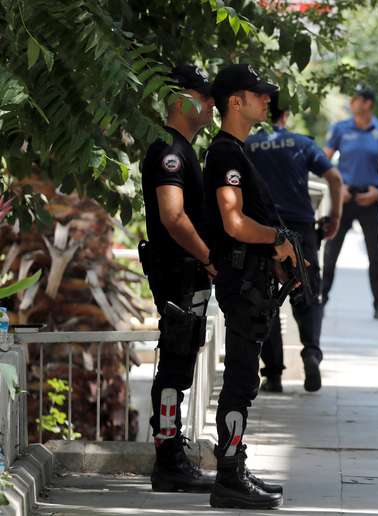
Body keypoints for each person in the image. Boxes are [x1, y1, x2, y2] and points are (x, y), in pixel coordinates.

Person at [203, 63, 296, 509]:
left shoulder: (238, 151)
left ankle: (235, 466)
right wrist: (276, 240)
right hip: (241, 285)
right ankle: (228, 476)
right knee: (240, 380)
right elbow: (234, 223)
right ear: (235, 102)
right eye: (258, 94)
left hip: (251, 284)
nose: (266, 100)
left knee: (246, 379)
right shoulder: (224, 154)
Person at [139, 64, 218, 493]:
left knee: (180, 364)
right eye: (203, 97)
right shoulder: (169, 150)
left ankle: (172, 452)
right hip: (178, 277)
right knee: (173, 366)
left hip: (188, 277)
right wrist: (209, 257)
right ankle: (168, 459)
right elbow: (172, 217)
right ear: (182, 98)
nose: (209, 106)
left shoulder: (184, 149)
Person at [245, 93, 343, 393]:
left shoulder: (247, 146)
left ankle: (272, 374)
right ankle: (311, 353)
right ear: (285, 115)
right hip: (301, 229)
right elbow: (335, 178)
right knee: (308, 293)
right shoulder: (303, 144)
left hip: (263, 231)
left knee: (266, 300)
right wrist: (334, 217)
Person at [322, 85, 378, 320]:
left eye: (356, 99)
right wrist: (337, 187)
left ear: (367, 103)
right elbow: (324, 161)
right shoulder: (340, 129)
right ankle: (321, 299)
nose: (352, 102)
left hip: (370, 199)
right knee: (331, 250)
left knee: (376, 254)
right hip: (345, 198)